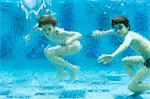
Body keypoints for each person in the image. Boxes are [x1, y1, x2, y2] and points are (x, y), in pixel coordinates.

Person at [91, 16, 150, 94]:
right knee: (125, 61)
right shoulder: (126, 32)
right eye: (115, 28)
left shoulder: (130, 36)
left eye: (120, 27)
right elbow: (113, 31)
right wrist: (102, 33)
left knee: (131, 87)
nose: (118, 31)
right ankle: (138, 84)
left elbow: (125, 45)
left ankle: (136, 86)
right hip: (146, 58)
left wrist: (112, 55)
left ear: (127, 27)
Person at [24, 15, 82, 80]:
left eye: (49, 29)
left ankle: (73, 68)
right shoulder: (41, 27)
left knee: (50, 54)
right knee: (47, 52)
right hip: (65, 46)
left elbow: (79, 35)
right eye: (44, 30)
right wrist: (29, 36)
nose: (47, 32)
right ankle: (62, 71)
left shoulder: (59, 32)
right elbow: (35, 27)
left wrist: (69, 41)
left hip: (74, 45)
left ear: (54, 27)